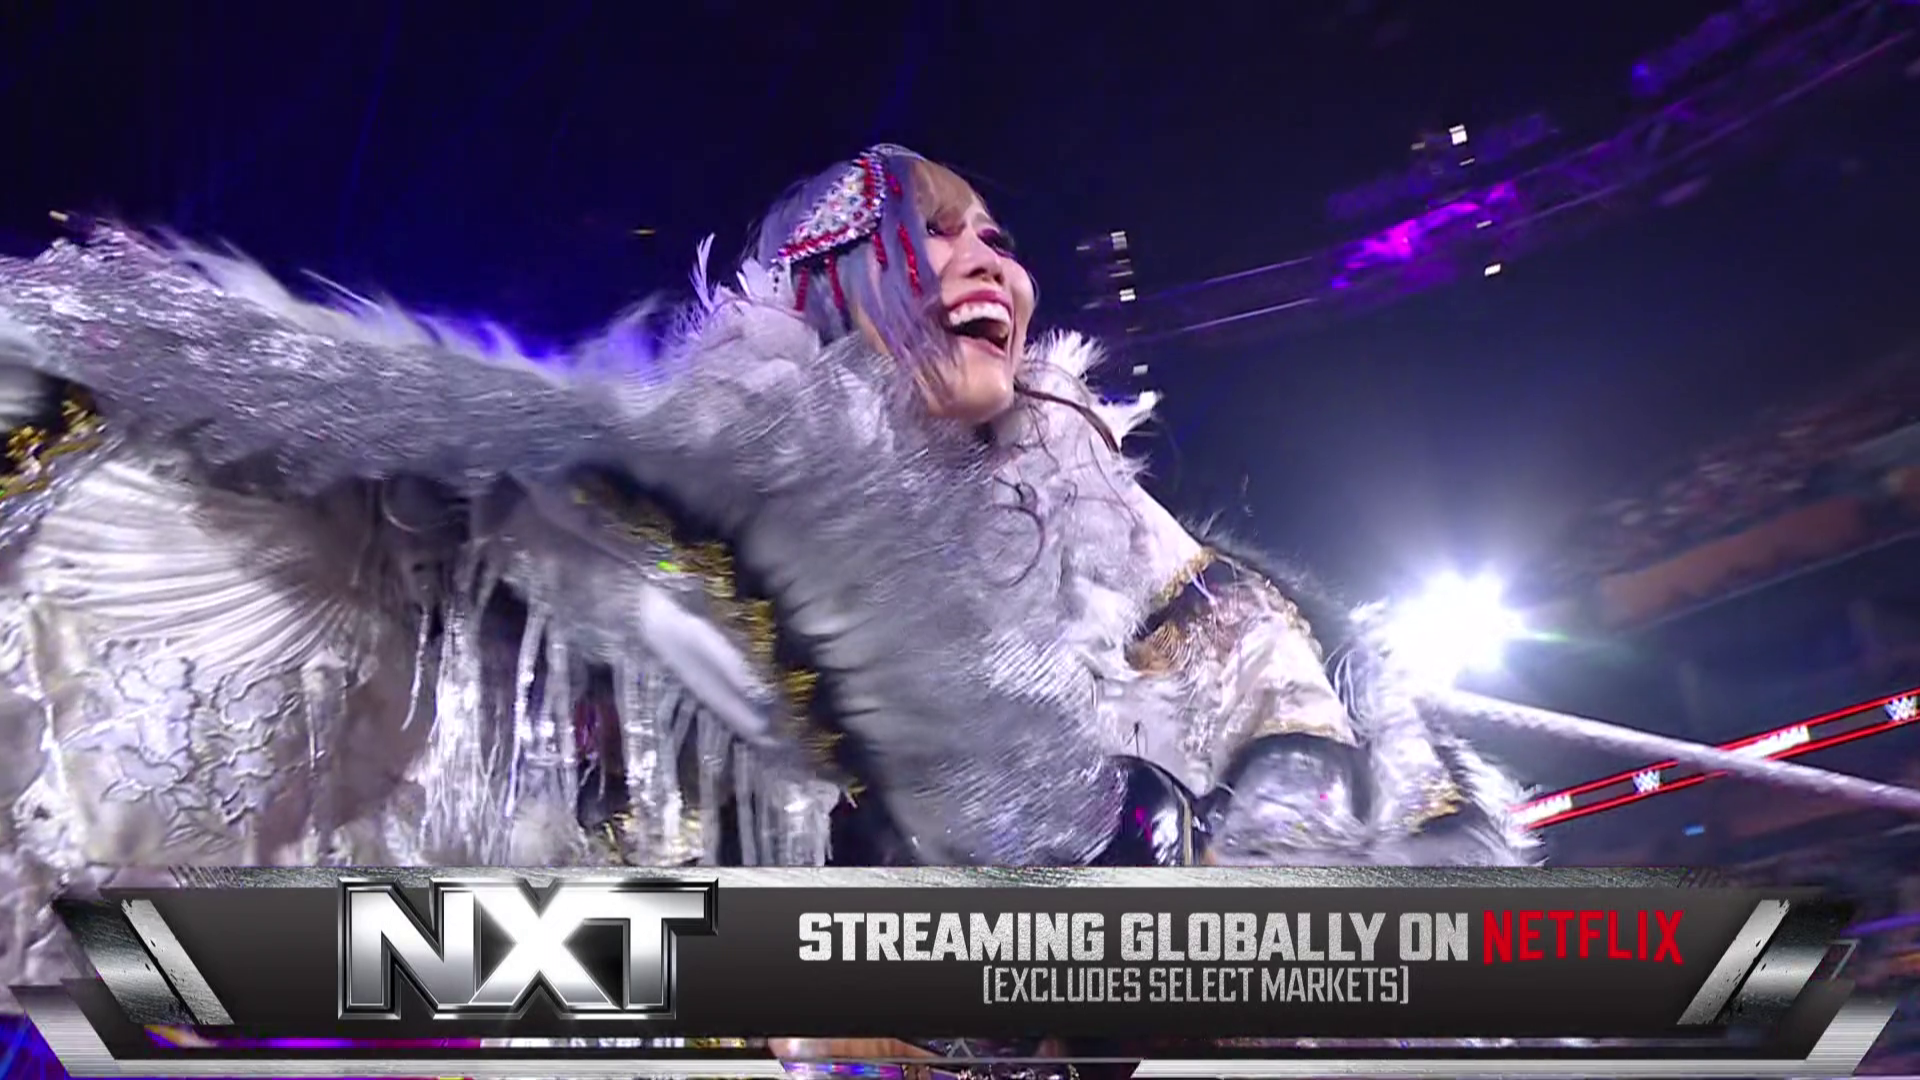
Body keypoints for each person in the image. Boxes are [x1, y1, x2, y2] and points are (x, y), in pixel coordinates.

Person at [0, 145, 1532, 1000]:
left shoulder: (1102, 513)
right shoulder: (676, 471)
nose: (993, 261)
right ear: (826, 278)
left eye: (1002, 238)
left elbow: (1262, 679)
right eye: (939, 234)